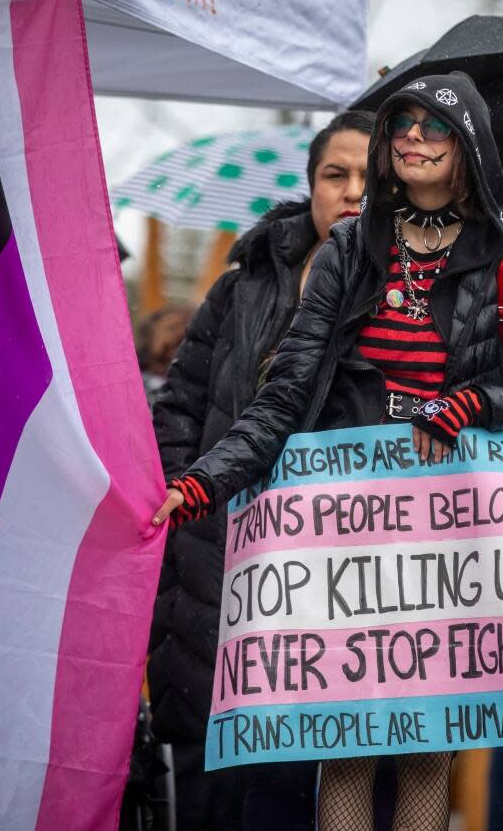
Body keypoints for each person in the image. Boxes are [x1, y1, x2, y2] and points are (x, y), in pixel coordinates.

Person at [151, 71, 503, 831]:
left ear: (469, 150)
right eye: (403, 125)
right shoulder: (350, 250)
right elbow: (283, 394)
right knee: (345, 745)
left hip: (450, 537)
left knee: (426, 749)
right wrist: (202, 483)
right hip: (342, 535)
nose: (414, 138)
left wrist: (475, 403)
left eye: (435, 127)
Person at [148, 110, 374, 831]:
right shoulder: (244, 282)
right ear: (310, 186)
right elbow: (180, 402)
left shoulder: (419, 294)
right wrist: (193, 505)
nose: (352, 190)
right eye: (335, 174)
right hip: (220, 571)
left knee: (318, 782)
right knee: (217, 786)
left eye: (371, 176)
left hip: (343, 583)